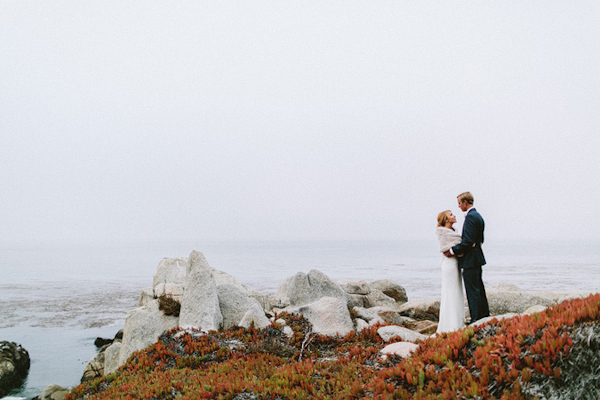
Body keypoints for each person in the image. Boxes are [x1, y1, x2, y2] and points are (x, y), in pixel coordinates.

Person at [443, 191, 489, 323]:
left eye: (459, 203)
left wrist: (452, 250)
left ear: (465, 202)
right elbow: (479, 240)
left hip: (471, 259)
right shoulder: (478, 216)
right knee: (479, 288)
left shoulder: (470, 217)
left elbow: (468, 241)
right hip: (477, 257)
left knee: (472, 290)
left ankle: (476, 319)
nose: (458, 206)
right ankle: (483, 315)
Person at [435, 210, 466, 333]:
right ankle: (451, 324)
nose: (454, 216)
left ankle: (458, 321)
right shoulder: (443, 233)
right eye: (451, 215)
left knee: (457, 291)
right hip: (449, 264)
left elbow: (458, 246)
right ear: (446, 220)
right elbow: (446, 248)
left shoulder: (454, 231)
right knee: (450, 292)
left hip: (455, 263)